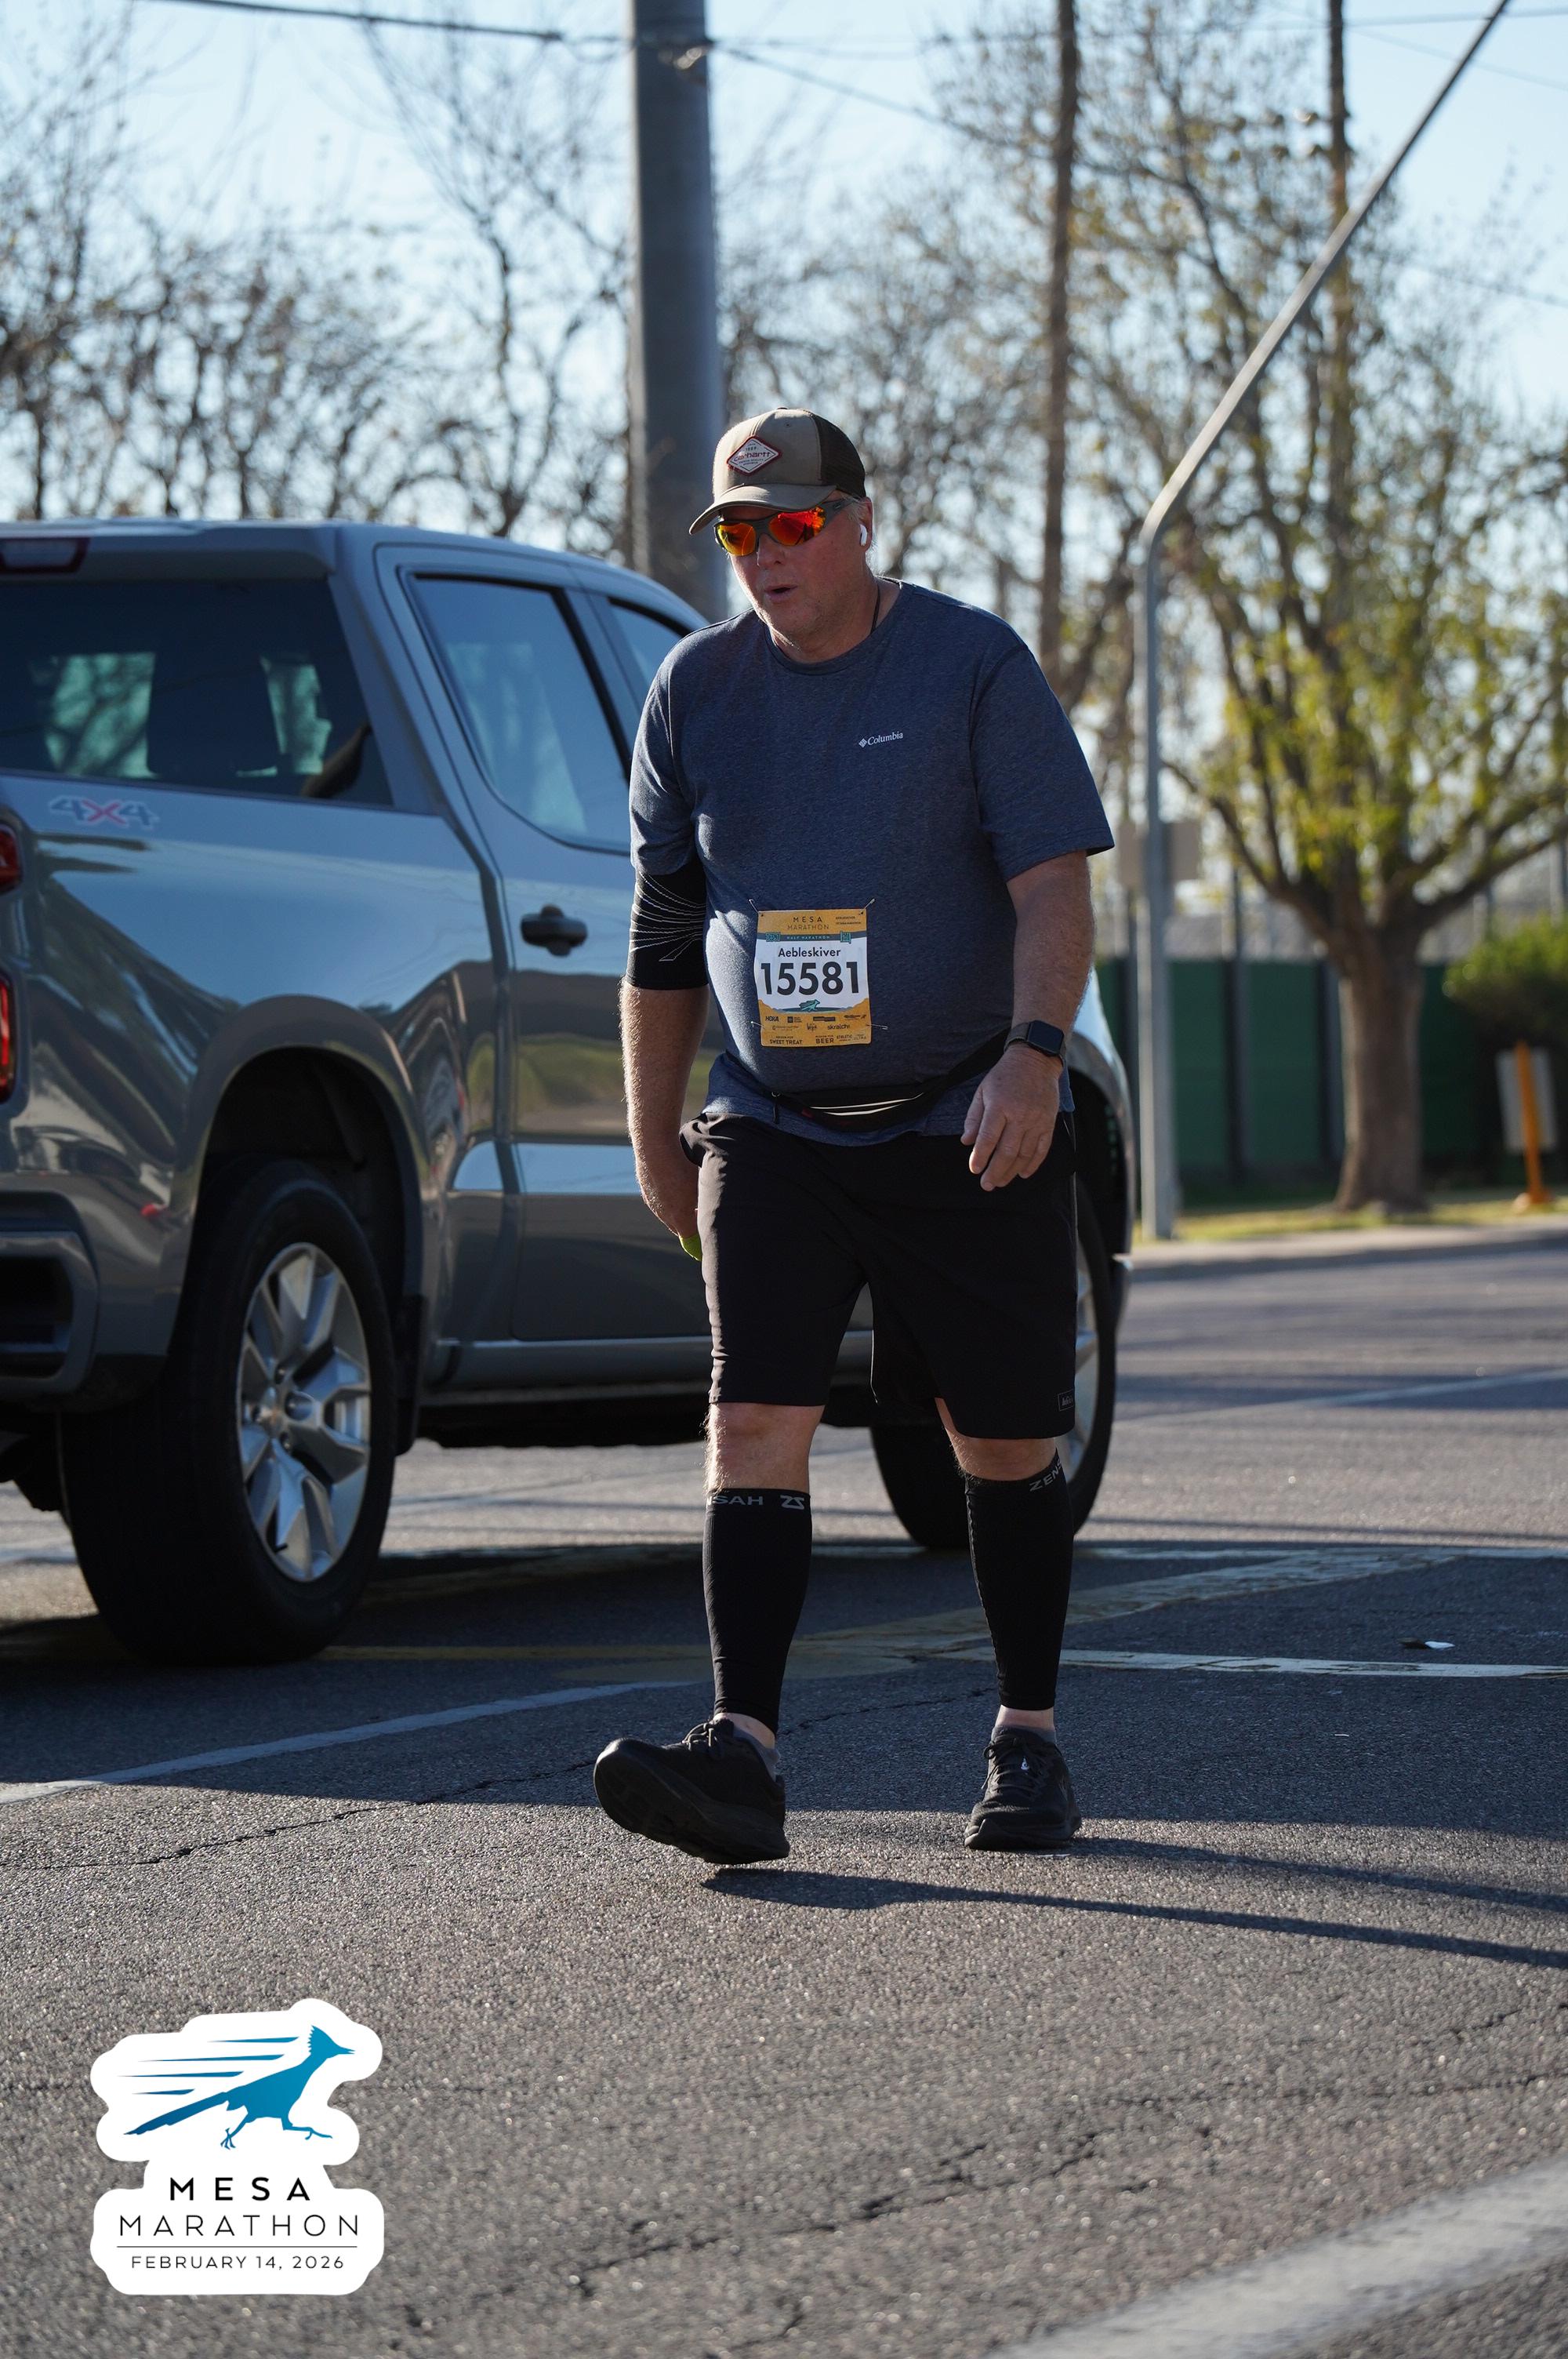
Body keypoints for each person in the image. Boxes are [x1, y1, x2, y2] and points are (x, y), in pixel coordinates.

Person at [592, 408, 1113, 1868]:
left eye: (797, 524)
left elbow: (1053, 884)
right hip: (775, 1127)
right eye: (741, 532)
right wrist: (652, 1138)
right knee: (753, 1419)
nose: (769, 553)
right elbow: (664, 930)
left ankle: (1027, 1739)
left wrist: (1033, 1058)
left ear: (862, 522)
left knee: (998, 1441)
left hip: (963, 1117)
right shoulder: (695, 692)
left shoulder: (971, 667)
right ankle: (742, 1755)